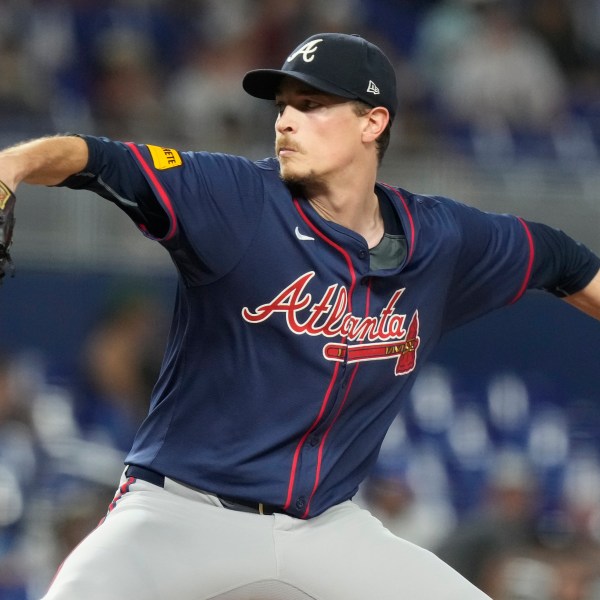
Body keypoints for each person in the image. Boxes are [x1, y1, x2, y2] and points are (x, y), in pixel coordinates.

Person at [0, 32, 598, 600]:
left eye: (311, 105)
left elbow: (561, 259)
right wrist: (13, 166)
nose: (285, 120)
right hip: (180, 512)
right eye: (283, 105)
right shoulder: (235, 200)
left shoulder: (440, 240)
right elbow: (97, 159)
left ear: (374, 121)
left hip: (324, 527)